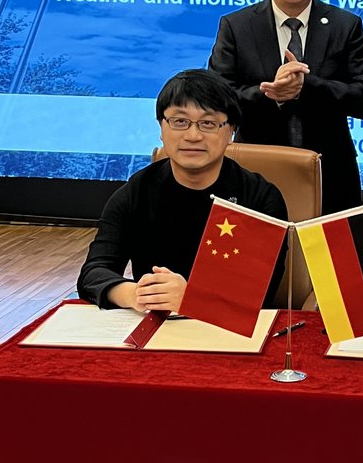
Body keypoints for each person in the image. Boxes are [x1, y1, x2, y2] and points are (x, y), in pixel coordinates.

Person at [77, 69, 286, 311]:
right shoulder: (136, 191)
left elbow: (262, 288)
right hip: (155, 324)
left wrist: (191, 298)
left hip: (229, 331)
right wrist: (136, 294)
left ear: (231, 131)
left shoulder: (260, 198)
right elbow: (93, 273)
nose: (193, 135)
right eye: (180, 122)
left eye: (208, 123)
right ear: (161, 128)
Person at [209, 0, 363, 213]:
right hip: (255, 174)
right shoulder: (236, 26)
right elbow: (216, 100)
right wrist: (270, 95)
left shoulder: (345, 26)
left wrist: (307, 87)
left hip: (331, 179)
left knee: (326, 260)